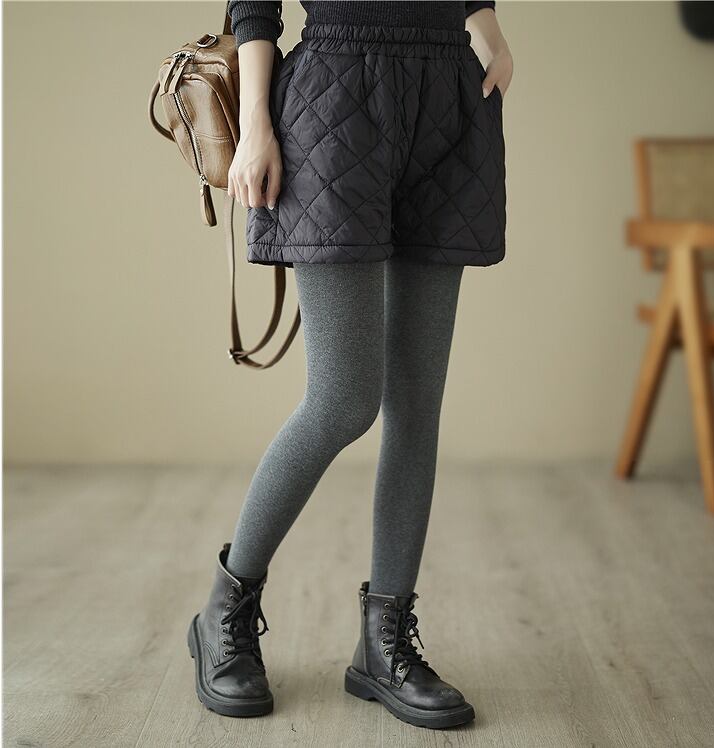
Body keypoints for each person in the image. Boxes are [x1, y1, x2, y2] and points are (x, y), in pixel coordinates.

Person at [187, 0, 513, 730]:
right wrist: (257, 122)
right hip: (336, 93)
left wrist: (491, 33)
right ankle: (223, 611)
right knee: (343, 399)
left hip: (449, 94)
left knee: (417, 406)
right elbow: (253, 6)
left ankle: (382, 643)